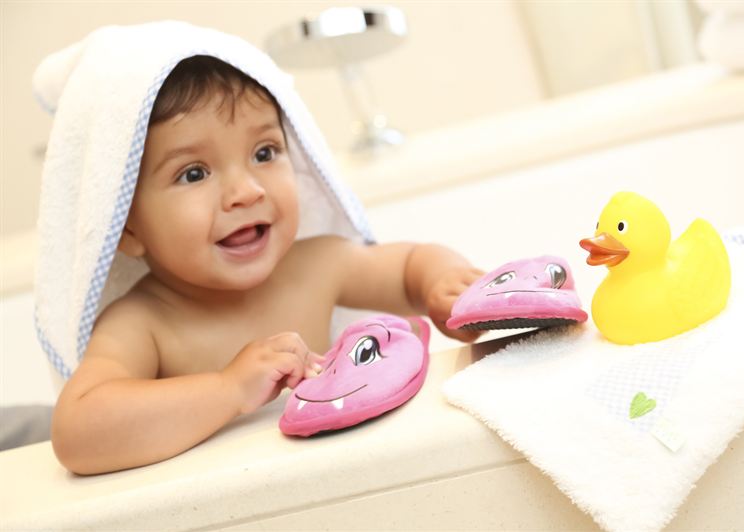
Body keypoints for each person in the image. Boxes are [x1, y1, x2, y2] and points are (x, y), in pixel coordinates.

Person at [49, 54, 484, 475]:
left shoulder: (315, 265)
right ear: (126, 228)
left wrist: (442, 283)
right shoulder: (142, 323)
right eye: (194, 173)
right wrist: (228, 390)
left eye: (264, 152)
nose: (246, 191)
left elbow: (408, 267)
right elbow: (78, 433)